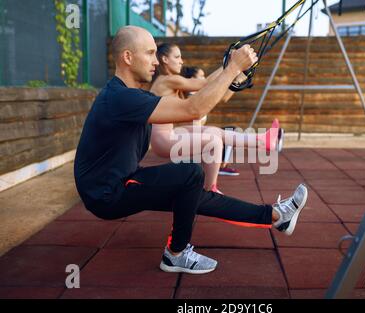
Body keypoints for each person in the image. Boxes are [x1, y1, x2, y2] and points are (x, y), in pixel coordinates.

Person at [74, 26, 308, 275]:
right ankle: (176, 254)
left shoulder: (132, 96)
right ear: (128, 57)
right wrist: (231, 69)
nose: (156, 61)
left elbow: (194, 101)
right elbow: (193, 109)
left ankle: (275, 217)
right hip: (106, 193)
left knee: (194, 191)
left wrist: (230, 70)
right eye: (150, 53)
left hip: (119, 181)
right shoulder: (121, 98)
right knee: (190, 174)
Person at [149, 43, 283, 193]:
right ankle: (210, 188)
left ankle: (262, 140)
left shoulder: (170, 81)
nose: (181, 61)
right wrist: (232, 63)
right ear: (165, 59)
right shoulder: (166, 80)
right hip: (163, 140)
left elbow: (209, 86)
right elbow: (205, 83)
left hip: (169, 134)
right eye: (177, 56)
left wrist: (233, 65)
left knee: (215, 132)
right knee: (214, 142)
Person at [181, 66, 240, 177]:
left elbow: (224, 97)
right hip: (189, 144)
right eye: (201, 76)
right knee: (223, 135)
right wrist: (229, 65)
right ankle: (214, 166)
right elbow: (213, 86)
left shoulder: (200, 95)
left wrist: (239, 78)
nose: (204, 78)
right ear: (192, 80)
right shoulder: (191, 97)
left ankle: (221, 166)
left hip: (198, 140)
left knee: (231, 130)